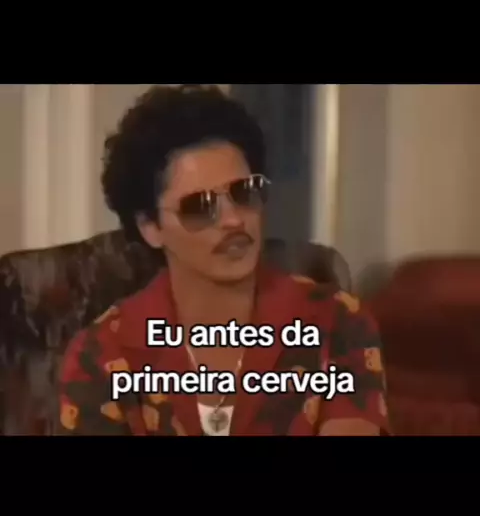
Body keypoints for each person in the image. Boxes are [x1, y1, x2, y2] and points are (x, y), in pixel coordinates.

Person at [56, 84, 390, 436]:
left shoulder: (336, 323)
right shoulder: (102, 355)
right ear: (150, 227)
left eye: (244, 193)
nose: (233, 220)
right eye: (199, 207)